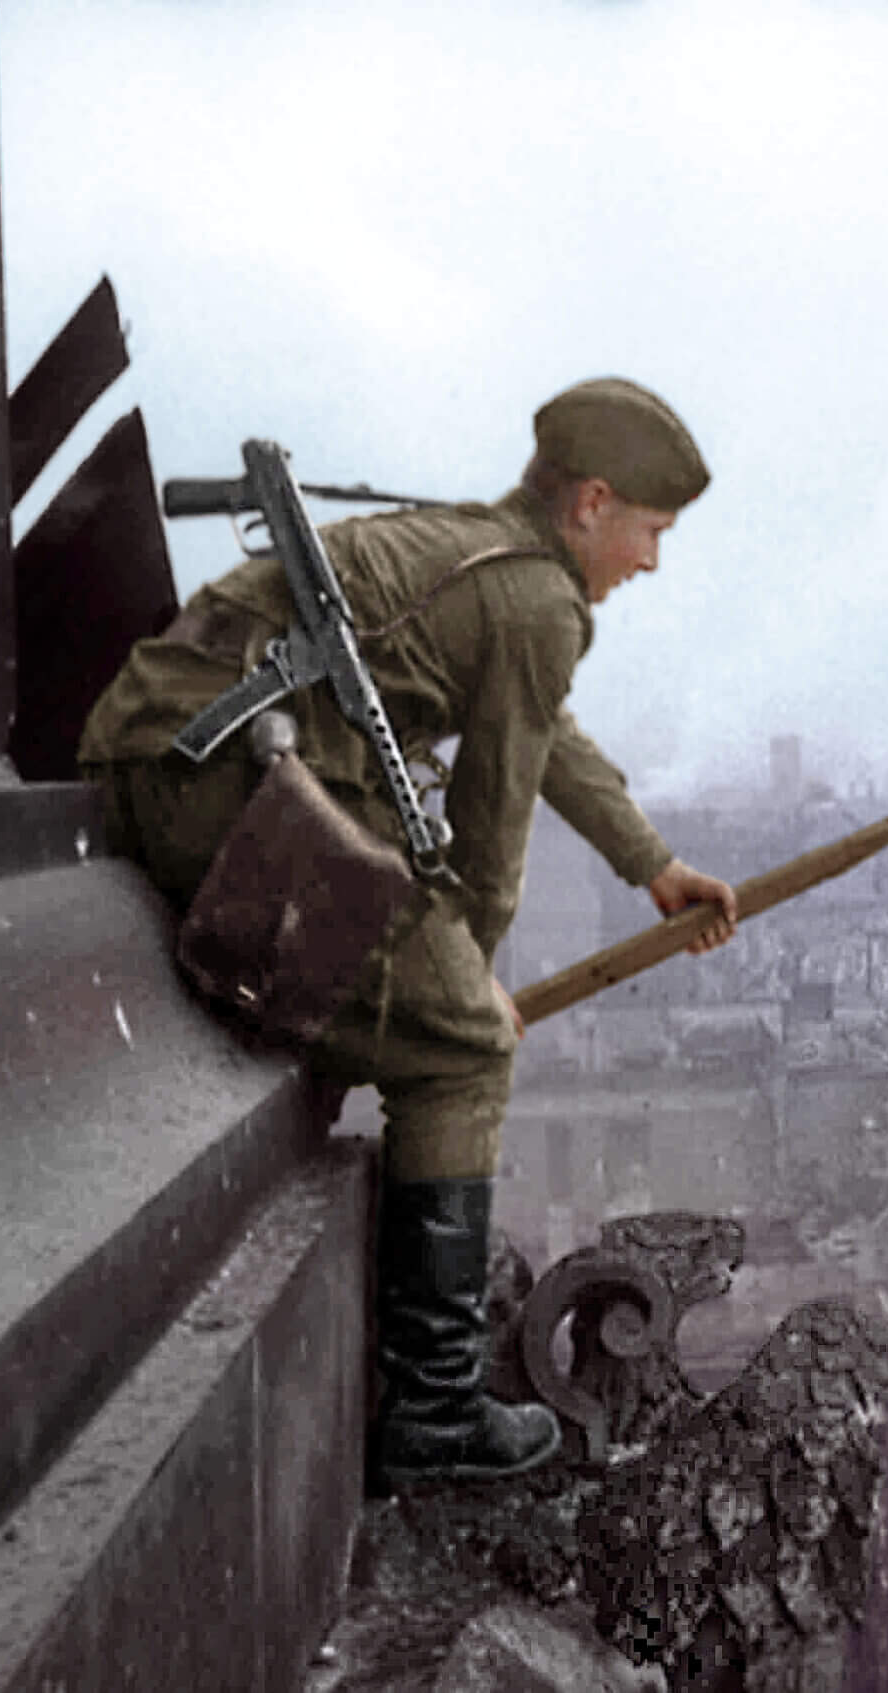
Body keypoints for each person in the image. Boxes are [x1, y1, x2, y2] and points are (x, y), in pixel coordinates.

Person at [79, 377, 740, 1489]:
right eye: (650, 530)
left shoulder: (489, 554)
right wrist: (461, 997)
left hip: (170, 749)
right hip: (220, 779)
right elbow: (491, 836)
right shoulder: (538, 600)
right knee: (467, 1051)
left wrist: (652, 865)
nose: (652, 562)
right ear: (589, 503)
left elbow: (544, 730)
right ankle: (432, 1408)